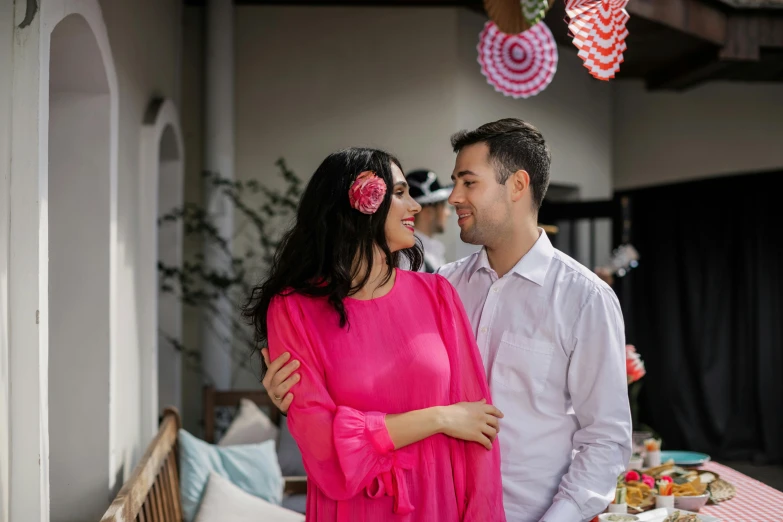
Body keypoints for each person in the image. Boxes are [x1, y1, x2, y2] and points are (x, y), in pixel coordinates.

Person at [264, 122, 631, 522]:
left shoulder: (583, 298)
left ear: (517, 186)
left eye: (468, 183)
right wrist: (300, 403)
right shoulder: (442, 286)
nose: (452, 198)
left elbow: (606, 439)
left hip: (533, 512)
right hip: (425, 503)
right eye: (455, 181)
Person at [244, 148, 506, 522]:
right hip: (352, 508)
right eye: (400, 193)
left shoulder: (437, 295)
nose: (415, 206)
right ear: (359, 203)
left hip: (438, 505)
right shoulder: (292, 309)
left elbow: (479, 429)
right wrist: (439, 418)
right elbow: (324, 446)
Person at [405, 169, 452, 272]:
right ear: (428, 212)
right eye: (443, 206)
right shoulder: (410, 257)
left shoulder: (432, 251)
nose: (448, 213)